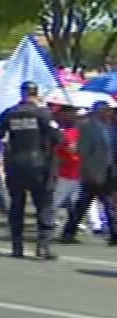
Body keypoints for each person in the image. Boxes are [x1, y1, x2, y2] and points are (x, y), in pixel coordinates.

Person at [0, 81, 61, 260]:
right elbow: (56, 137)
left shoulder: (9, 113)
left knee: (17, 206)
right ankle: (43, 246)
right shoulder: (43, 113)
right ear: (36, 93)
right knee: (44, 205)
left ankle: (17, 246)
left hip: (15, 163)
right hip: (39, 164)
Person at [60, 99, 113, 244]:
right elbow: (82, 150)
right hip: (93, 172)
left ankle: (69, 232)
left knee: (96, 204)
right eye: (106, 111)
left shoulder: (107, 127)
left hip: (105, 172)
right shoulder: (88, 128)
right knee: (88, 204)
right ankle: (68, 232)